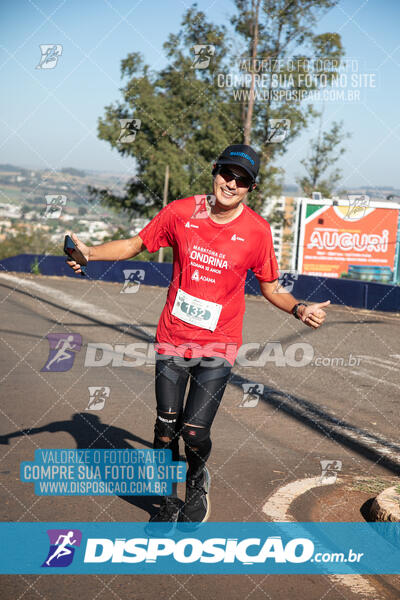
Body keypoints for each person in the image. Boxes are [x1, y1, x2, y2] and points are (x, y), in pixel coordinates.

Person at [66, 144, 330, 525]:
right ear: (215, 170)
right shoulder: (180, 212)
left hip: (219, 344)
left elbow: (271, 287)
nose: (232, 184)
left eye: (242, 180)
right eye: (227, 173)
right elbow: (135, 245)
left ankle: (195, 480)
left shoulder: (256, 231)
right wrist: (90, 252)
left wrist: (300, 308)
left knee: (192, 431)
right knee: (163, 431)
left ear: (250, 189)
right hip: (173, 337)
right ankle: (167, 504)